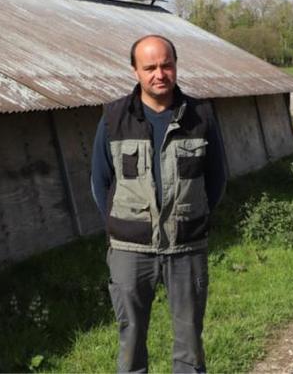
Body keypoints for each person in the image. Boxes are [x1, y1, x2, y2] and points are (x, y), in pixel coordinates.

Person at [91, 34, 227, 373]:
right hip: (129, 250)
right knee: (131, 337)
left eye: (166, 65)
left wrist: (192, 216)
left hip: (187, 246)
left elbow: (217, 178)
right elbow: (99, 182)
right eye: (149, 67)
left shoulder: (201, 116)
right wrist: (123, 223)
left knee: (189, 339)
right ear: (135, 71)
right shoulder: (113, 118)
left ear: (176, 66)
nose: (159, 74)